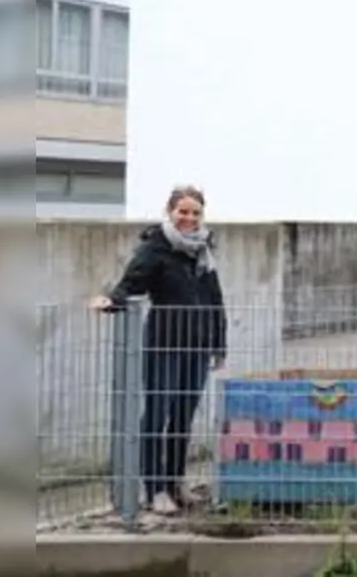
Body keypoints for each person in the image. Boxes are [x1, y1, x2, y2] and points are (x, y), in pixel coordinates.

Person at [88, 185, 227, 514]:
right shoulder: (155, 248)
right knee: (157, 415)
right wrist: (111, 300)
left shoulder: (204, 250)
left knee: (183, 417)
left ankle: (175, 482)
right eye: (183, 211)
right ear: (170, 211)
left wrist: (219, 343)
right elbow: (131, 283)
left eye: (195, 212)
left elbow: (215, 301)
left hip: (197, 347)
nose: (189, 218)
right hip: (163, 344)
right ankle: (154, 490)